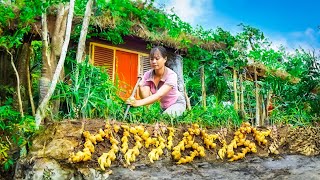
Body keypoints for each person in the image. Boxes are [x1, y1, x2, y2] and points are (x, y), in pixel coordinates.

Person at [126, 46, 186, 116]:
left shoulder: (171, 75)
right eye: (151, 59)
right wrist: (141, 86)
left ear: (165, 59)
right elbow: (145, 97)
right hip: (162, 107)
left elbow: (159, 95)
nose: (154, 61)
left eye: (157, 59)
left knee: (164, 118)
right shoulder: (147, 75)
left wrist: (137, 103)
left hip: (176, 103)